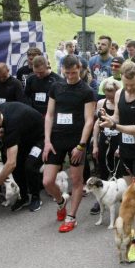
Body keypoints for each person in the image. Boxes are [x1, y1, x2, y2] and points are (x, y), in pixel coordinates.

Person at [97, 60, 135, 259]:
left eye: (132, 84)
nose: (129, 88)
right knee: (130, 196)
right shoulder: (120, 92)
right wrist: (109, 119)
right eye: (125, 83)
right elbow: (118, 117)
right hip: (126, 150)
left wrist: (114, 127)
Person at [42, 55, 96, 234]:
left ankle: (71, 216)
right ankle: (60, 201)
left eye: (74, 72)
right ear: (62, 70)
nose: (71, 76)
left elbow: (89, 120)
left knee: (76, 180)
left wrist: (81, 145)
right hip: (56, 138)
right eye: (68, 73)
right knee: (48, 181)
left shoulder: (86, 91)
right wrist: (47, 140)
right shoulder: (56, 86)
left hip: (76, 140)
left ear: (80, 68)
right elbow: (49, 115)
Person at [0, 103, 45, 212]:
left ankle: (36, 197)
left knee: (30, 166)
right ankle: (24, 197)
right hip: (24, 136)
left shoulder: (12, 126)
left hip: (41, 138)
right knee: (18, 166)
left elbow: (11, 163)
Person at [91, 79, 122, 183]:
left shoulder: (121, 104)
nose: (110, 99)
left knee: (117, 169)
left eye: (112, 97)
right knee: (102, 167)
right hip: (104, 137)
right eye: (107, 96)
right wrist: (95, 145)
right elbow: (97, 124)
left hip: (118, 138)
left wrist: (121, 147)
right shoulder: (101, 103)